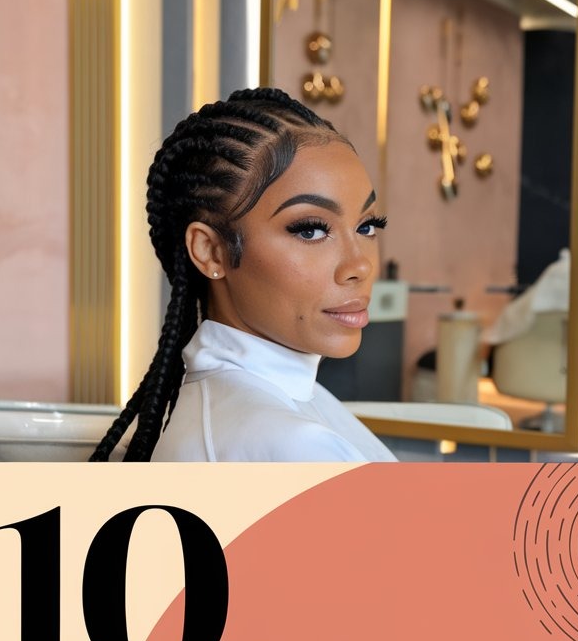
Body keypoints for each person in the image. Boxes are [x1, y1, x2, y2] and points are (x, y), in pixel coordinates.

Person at [91, 87, 397, 462]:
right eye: (311, 229)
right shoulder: (292, 444)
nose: (360, 266)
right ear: (210, 250)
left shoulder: (289, 401)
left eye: (367, 226)